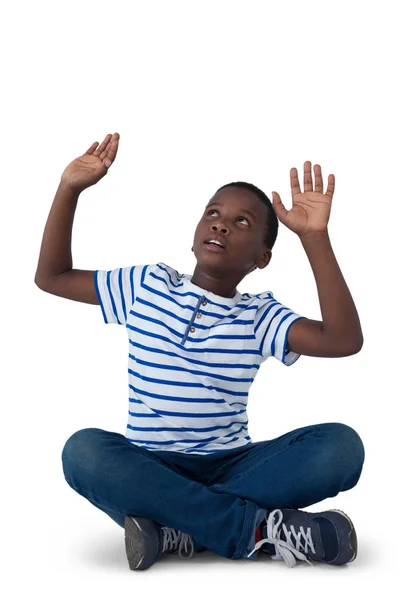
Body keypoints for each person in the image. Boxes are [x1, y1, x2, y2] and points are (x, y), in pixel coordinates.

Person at [34, 132, 365, 571]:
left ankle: (176, 530)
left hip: (235, 468)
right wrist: (69, 188)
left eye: (242, 222)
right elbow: (51, 277)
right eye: (213, 213)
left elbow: (343, 341)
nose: (221, 224)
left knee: (341, 446)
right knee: (83, 453)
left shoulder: (258, 316)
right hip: (150, 466)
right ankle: (257, 530)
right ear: (194, 232)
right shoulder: (147, 283)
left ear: (263, 258)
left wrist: (314, 238)